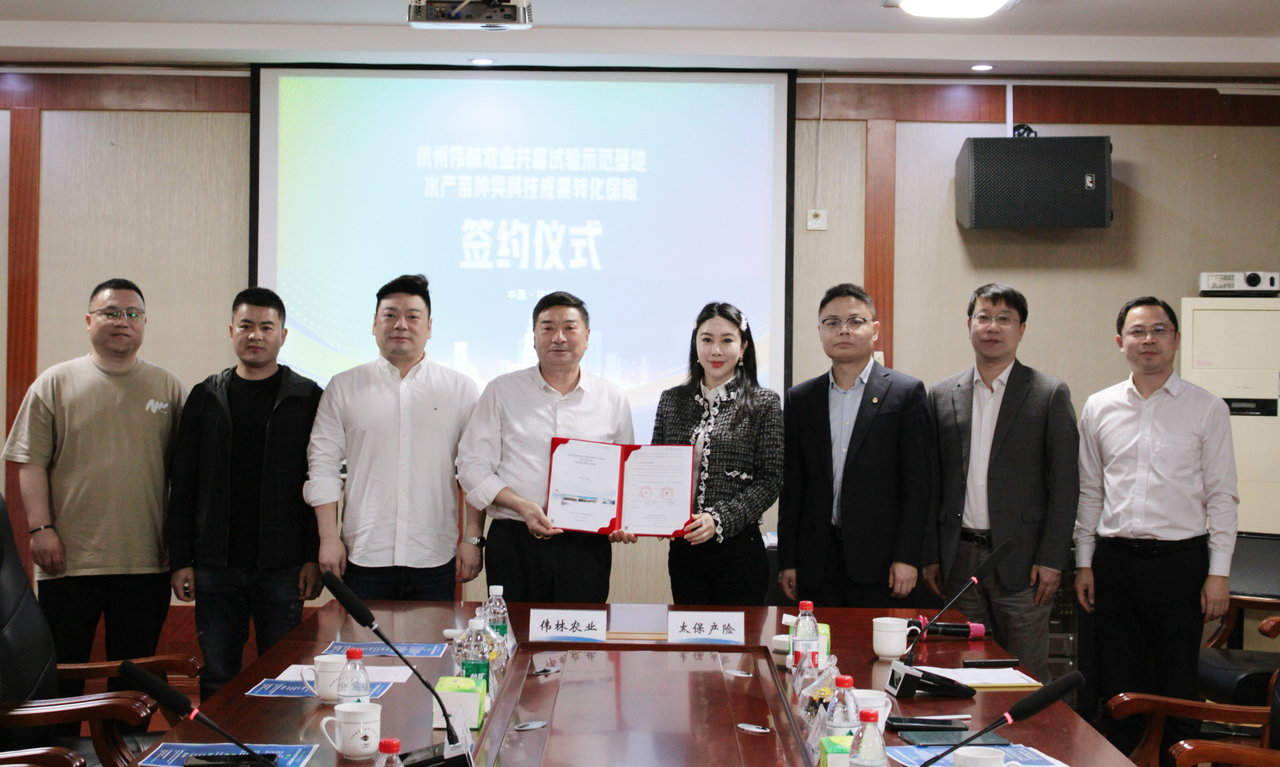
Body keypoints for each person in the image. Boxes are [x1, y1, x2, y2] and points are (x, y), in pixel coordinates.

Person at [3, 278, 185, 697]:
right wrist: (40, 529)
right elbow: (30, 462)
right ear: (89, 321)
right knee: (62, 673)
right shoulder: (54, 383)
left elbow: (184, 473)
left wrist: (179, 543)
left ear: (144, 323)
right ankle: (60, 739)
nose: (122, 321)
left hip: (146, 560)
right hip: (69, 560)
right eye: (110, 313)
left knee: (135, 677)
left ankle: (128, 739)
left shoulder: (167, 387)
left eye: (132, 314)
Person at [1074, 296, 1237, 766]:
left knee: (1178, 681)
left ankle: (1177, 761)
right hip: (1114, 561)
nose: (1149, 340)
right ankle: (1123, 760)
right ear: (1120, 341)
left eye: (1159, 330)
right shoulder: (1099, 406)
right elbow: (1090, 491)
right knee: (1118, 684)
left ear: (1177, 340)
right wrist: (1084, 562)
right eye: (1138, 331)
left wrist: (1219, 573)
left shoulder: (1207, 408)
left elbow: (1222, 497)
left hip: (1181, 563)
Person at [168, 287, 324, 700]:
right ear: (231, 331)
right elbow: (183, 484)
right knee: (217, 675)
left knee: (285, 674)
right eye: (246, 326)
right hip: (215, 564)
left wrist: (313, 556)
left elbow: (319, 483)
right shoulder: (205, 396)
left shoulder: (308, 397)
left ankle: (279, 743)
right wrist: (180, 560)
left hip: (283, 565)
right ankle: (218, 742)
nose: (256, 335)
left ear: (283, 335)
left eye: (266, 327)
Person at [921, 284, 1078, 683]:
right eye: (984, 317)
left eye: (1004, 319)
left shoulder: (1048, 393)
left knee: (1025, 675)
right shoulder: (942, 394)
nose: (993, 327)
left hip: (1023, 563)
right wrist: (931, 554)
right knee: (960, 668)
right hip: (959, 560)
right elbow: (933, 483)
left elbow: (1065, 486)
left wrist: (1052, 560)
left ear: (1021, 329)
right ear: (969, 325)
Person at [304, 274, 479, 600]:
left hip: (434, 556)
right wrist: (328, 537)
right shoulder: (343, 387)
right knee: (361, 636)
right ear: (374, 324)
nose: (401, 324)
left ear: (429, 327)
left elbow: (475, 470)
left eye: (413, 316)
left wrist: (472, 539)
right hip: (363, 554)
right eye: (390, 315)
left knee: (433, 636)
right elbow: (322, 465)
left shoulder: (461, 389)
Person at [457, 291, 635, 603]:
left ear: (587, 336)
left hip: (584, 545)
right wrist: (520, 505)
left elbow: (625, 473)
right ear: (534, 336)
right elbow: (472, 466)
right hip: (513, 539)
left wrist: (623, 518)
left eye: (569, 327)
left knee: (580, 632)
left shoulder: (612, 398)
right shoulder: (502, 391)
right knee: (514, 629)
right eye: (548, 328)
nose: (558, 337)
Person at [778, 283, 931, 608]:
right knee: (817, 639)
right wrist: (788, 559)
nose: (843, 330)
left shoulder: (905, 393)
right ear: (820, 331)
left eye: (855, 321)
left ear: (874, 330)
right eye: (832, 322)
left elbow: (917, 486)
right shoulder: (801, 399)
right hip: (816, 560)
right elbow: (793, 487)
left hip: (881, 562)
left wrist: (907, 556)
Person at [651, 302, 783, 606]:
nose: (716, 350)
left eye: (727, 340)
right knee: (689, 634)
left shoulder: (764, 403)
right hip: (684, 549)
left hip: (739, 549)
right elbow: (656, 467)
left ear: (743, 347)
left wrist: (719, 518)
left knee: (739, 636)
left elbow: (771, 479)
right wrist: (655, 515)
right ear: (695, 343)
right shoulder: (672, 400)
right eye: (707, 339)